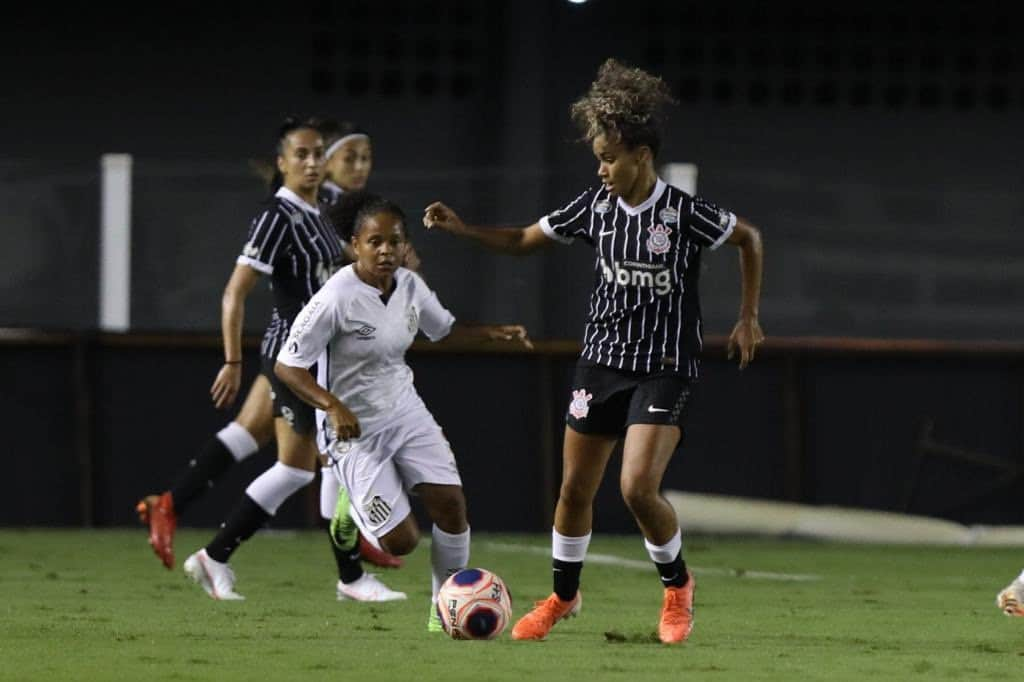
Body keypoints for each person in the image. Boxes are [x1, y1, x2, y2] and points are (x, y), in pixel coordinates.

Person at [423, 58, 764, 644]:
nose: (601, 169)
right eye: (597, 159)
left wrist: (748, 317)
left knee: (635, 488)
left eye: (609, 157)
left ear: (640, 155)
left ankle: (677, 590)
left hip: (663, 366)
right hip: (601, 362)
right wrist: (464, 230)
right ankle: (562, 596)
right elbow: (526, 240)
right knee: (574, 490)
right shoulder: (594, 208)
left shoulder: (681, 214)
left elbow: (748, 238)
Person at [135, 119, 403, 586]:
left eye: (321, 154)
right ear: (284, 163)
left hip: (316, 350)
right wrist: (232, 360)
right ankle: (345, 562)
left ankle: (173, 505)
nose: (318, 163)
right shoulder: (281, 215)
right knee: (320, 459)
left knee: (255, 437)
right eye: (312, 155)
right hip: (294, 353)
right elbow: (236, 290)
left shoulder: (327, 208)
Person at [274, 196, 531, 630]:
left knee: (451, 504)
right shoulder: (336, 296)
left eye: (394, 241)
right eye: (374, 241)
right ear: (355, 245)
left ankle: (444, 609)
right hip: (352, 428)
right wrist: (332, 406)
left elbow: (443, 331)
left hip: (405, 411)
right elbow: (288, 365)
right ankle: (349, 511)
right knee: (401, 542)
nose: (385, 250)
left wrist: (491, 333)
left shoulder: (410, 286)